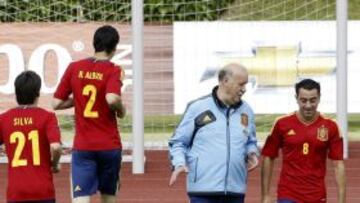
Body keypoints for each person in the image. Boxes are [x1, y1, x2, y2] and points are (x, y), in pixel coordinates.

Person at [52, 25, 126, 203]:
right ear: (114, 47)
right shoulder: (114, 69)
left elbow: (56, 103)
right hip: (109, 145)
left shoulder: (74, 67)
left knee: (80, 199)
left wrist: (77, 99)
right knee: (108, 198)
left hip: (84, 146)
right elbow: (112, 99)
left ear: (95, 44)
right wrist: (122, 111)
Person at [168, 63, 259, 203]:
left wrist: (252, 153)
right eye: (240, 84)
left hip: (235, 190)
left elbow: (250, 141)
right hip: (203, 190)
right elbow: (178, 142)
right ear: (225, 81)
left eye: (245, 85)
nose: (244, 89)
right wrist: (179, 163)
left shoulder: (247, 111)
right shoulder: (197, 108)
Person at [261, 78, 346, 203]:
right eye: (303, 100)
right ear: (296, 98)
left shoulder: (331, 126)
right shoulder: (282, 124)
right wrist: (265, 195)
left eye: (313, 100)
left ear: (319, 98)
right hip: (288, 193)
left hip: (317, 195)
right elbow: (268, 156)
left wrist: (342, 200)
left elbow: (338, 165)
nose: (308, 105)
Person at [0, 70, 62, 203]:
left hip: (16, 192)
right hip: (43, 191)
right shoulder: (48, 117)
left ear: (16, 93)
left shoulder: (4, 119)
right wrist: (55, 164)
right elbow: (56, 147)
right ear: (38, 93)